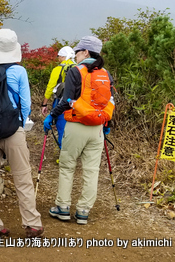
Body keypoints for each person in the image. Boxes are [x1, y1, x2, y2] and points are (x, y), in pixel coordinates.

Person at [0, 29, 44, 239]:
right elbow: (25, 104)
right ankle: (32, 224)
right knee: (23, 178)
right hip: (12, 130)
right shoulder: (19, 72)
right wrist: (18, 125)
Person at [44, 36, 114, 225]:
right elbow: (109, 102)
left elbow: (67, 101)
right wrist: (106, 125)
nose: (75, 55)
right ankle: (83, 211)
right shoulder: (106, 74)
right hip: (98, 129)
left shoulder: (76, 71)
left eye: (77, 52)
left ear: (85, 52)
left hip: (76, 125)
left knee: (67, 167)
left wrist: (51, 115)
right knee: (91, 170)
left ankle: (63, 207)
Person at [41, 46, 76, 148]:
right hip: (78, 103)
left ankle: (64, 154)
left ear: (63, 57)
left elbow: (50, 87)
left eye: (59, 56)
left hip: (61, 102)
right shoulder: (79, 68)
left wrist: (44, 104)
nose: (58, 58)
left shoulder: (58, 69)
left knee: (62, 127)